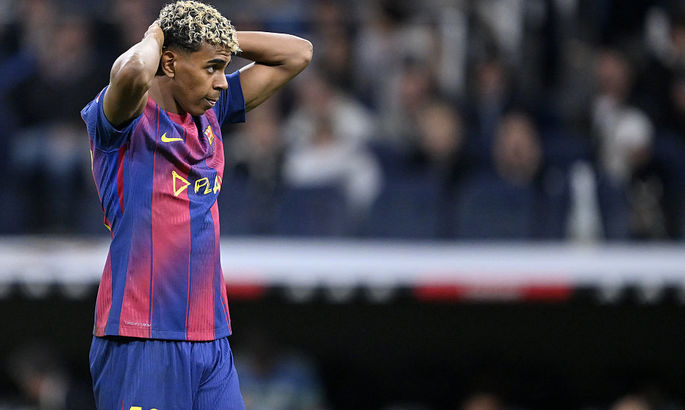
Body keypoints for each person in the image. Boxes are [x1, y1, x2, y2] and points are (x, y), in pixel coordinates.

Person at [80, 1, 312, 409]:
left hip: (210, 338)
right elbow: (133, 72)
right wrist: (157, 35)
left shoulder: (210, 111)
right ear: (169, 63)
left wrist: (216, 40)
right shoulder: (122, 118)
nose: (221, 82)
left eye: (224, 68)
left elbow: (298, 53)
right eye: (211, 68)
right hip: (140, 334)